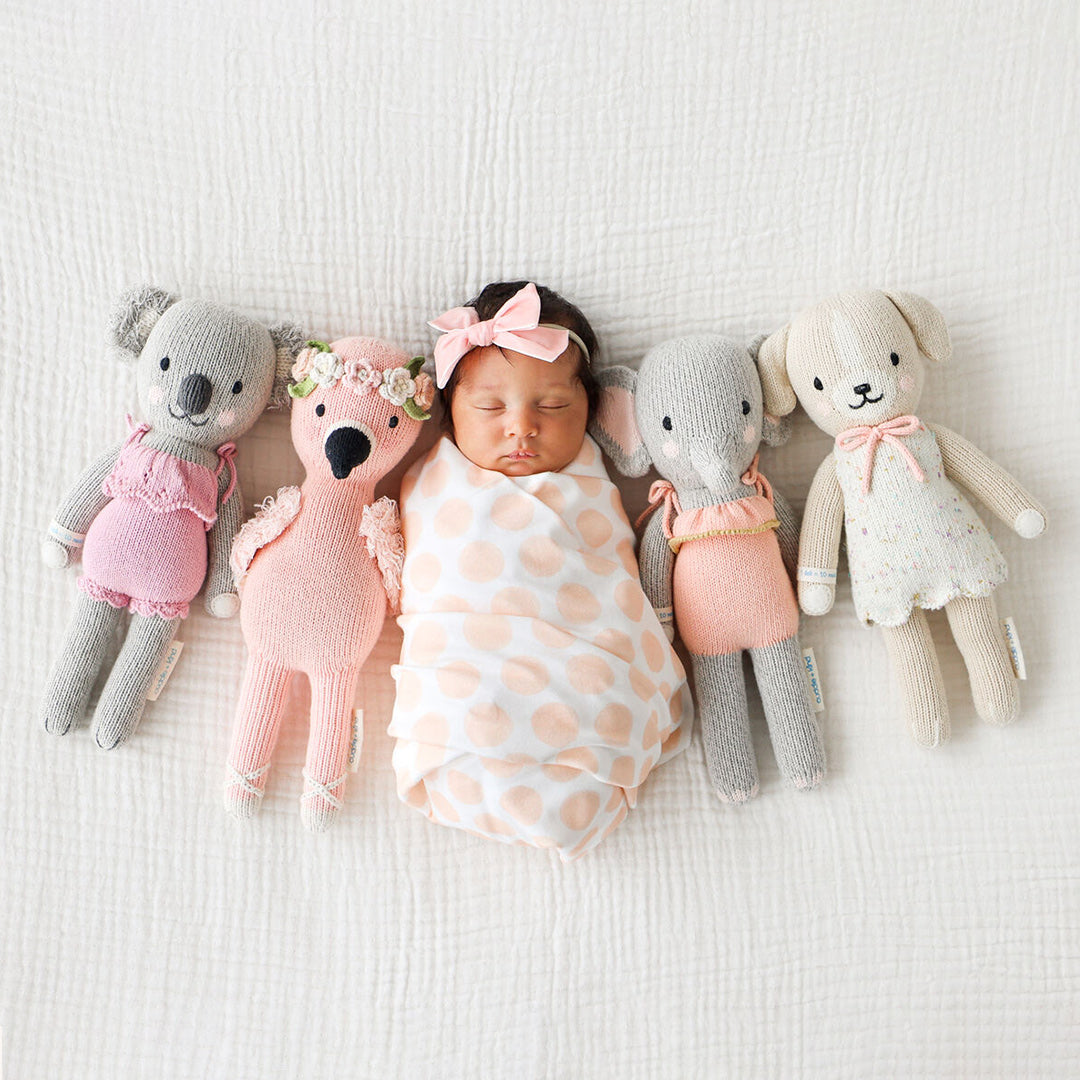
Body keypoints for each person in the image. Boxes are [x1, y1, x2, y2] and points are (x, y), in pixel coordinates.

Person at [388, 281, 693, 860]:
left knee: (597, 684)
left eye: (552, 406)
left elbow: (612, 583)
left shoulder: (591, 486)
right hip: (460, 706)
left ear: (592, 409)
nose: (521, 427)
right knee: (472, 707)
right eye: (489, 406)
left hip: (586, 685)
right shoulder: (434, 480)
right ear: (449, 413)